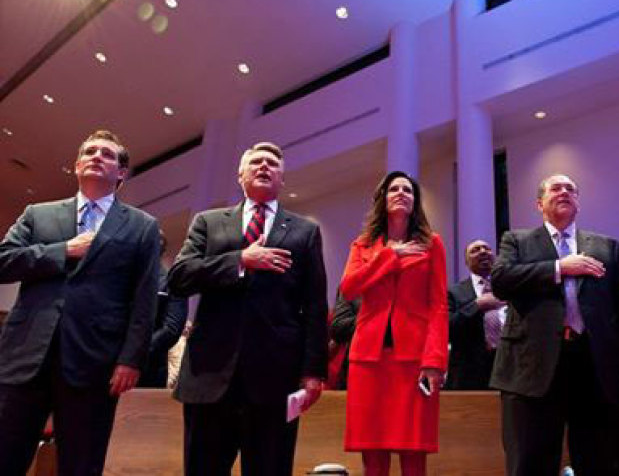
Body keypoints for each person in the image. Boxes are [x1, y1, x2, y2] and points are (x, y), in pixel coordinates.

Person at [0, 130, 161, 475]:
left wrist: (131, 358)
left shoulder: (143, 227)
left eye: (107, 154)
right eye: (90, 151)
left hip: (95, 363)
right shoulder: (38, 214)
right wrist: (63, 251)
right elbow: (4, 262)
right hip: (25, 354)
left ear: (121, 173)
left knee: (82, 464)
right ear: (76, 165)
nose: (97, 156)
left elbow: (144, 299)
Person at [168, 141, 328, 476]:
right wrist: (240, 259)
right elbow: (180, 277)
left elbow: (314, 305)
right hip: (209, 375)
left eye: (273, 163)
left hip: (275, 378)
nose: (265, 167)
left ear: (282, 179)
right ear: (240, 174)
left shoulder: (305, 231)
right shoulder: (208, 223)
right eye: (256, 162)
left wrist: (314, 372)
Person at [490, 173, 619, 476]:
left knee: (599, 459)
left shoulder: (607, 247)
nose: (564, 192)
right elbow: (501, 281)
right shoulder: (517, 241)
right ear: (539, 203)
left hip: (595, 366)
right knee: (530, 461)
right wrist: (559, 268)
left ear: (578, 201)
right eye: (555, 188)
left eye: (570, 189)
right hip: (531, 368)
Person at [338, 171, 448, 476]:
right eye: (394, 189)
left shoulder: (431, 244)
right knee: (372, 449)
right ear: (382, 199)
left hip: (414, 359)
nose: (401, 193)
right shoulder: (363, 246)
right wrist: (389, 255)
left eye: (408, 190)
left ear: (415, 202)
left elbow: (438, 305)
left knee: (413, 449)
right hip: (368, 359)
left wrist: (435, 360)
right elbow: (348, 288)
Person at [446, 239, 505, 390]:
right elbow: (447, 328)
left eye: (487, 248)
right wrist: (477, 306)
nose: (483, 251)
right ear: (466, 262)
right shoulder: (454, 292)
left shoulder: (510, 287)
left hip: (508, 365)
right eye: (475, 250)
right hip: (469, 371)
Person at [138, 231, 187, 388]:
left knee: (142, 412)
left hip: (150, 367)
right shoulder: (120, 278)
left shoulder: (172, 281)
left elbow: (171, 328)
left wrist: (134, 351)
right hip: (109, 364)